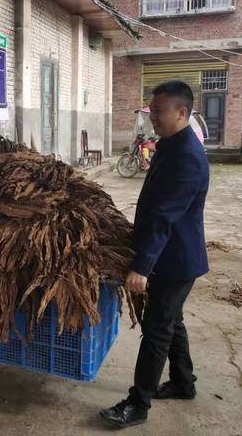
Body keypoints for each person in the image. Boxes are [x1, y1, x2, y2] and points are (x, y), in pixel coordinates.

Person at [100, 80, 210, 429]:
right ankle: (182, 382)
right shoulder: (170, 145)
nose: (153, 119)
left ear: (181, 112)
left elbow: (166, 216)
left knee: (157, 329)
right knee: (172, 321)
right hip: (168, 253)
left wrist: (141, 266)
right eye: (152, 111)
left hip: (174, 260)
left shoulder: (188, 157)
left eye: (159, 112)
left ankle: (138, 403)